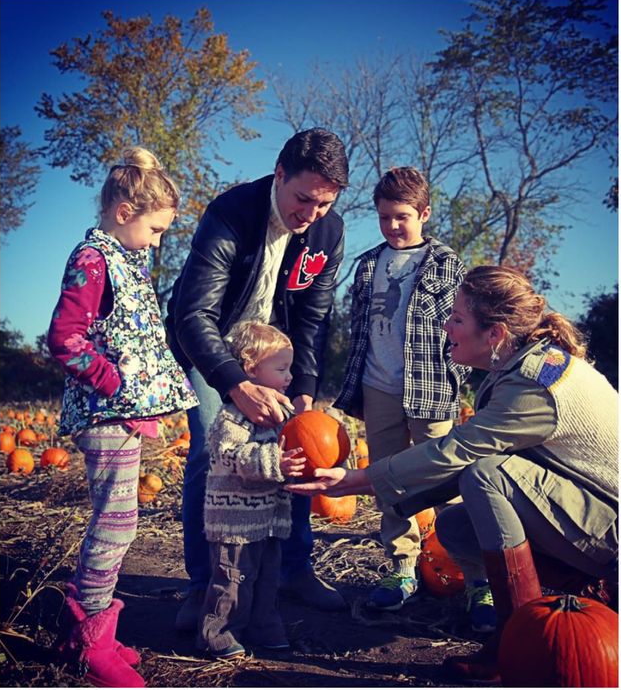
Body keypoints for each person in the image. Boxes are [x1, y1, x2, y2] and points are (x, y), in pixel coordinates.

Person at [288, 265, 618, 682]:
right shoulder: (524, 364)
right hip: (594, 515)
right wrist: (378, 488)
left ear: (494, 333)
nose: (446, 326)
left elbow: (459, 451)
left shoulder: (534, 386)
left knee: (486, 475)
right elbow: (463, 458)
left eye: (457, 319)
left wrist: (357, 479)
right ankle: (590, 592)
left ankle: (518, 639)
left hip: (612, 530)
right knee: (457, 528)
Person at [165, 128, 350, 628]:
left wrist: (305, 389)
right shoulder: (231, 214)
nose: (311, 213)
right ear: (280, 174)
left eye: (324, 204)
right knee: (210, 451)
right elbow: (193, 313)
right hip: (213, 347)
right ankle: (204, 585)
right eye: (303, 198)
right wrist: (235, 384)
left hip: (277, 355)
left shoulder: (328, 233)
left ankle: (294, 569)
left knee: (302, 447)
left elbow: (313, 320)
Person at [47, 147, 198, 687]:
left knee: (120, 520)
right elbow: (64, 339)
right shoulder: (92, 260)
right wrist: (114, 385)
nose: (157, 242)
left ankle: (94, 630)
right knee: (115, 523)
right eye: (155, 230)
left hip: (120, 415)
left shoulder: (124, 260)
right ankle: (89, 638)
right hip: (103, 413)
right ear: (124, 212)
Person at [331, 167, 474, 616]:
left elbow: (461, 326)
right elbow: (358, 328)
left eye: (402, 217)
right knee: (388, 478)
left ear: (424, 214)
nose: (393, 225)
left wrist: (455, 378)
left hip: (430, 386)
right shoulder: (368, 264)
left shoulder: (446, 262)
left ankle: (470, 574)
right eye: (384, 217)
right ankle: (402, 566)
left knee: (446, 480)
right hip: (378, 386)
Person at [198, 320, 306, 659]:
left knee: (267, 578)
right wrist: (276, 462)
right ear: (251, 369)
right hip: (235, 521)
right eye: (281, 369)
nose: (290, 376)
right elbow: (232, 456)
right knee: (233, 580)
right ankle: (218, 633)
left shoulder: (281, 413)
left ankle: (263, 625)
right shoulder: (232, 416)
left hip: (269, 521)